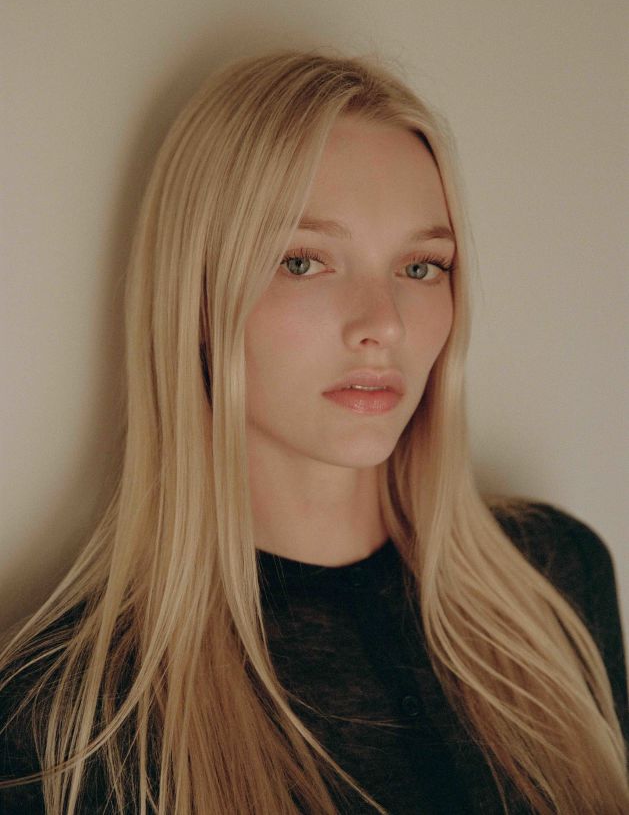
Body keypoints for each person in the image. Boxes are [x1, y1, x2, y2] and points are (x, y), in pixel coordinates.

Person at [0, 49, 627, 814]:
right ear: (198, 295)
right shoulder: (63, 723)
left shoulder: (554, 584)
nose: (382, 324)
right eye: (302, 261)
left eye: (421, 267)